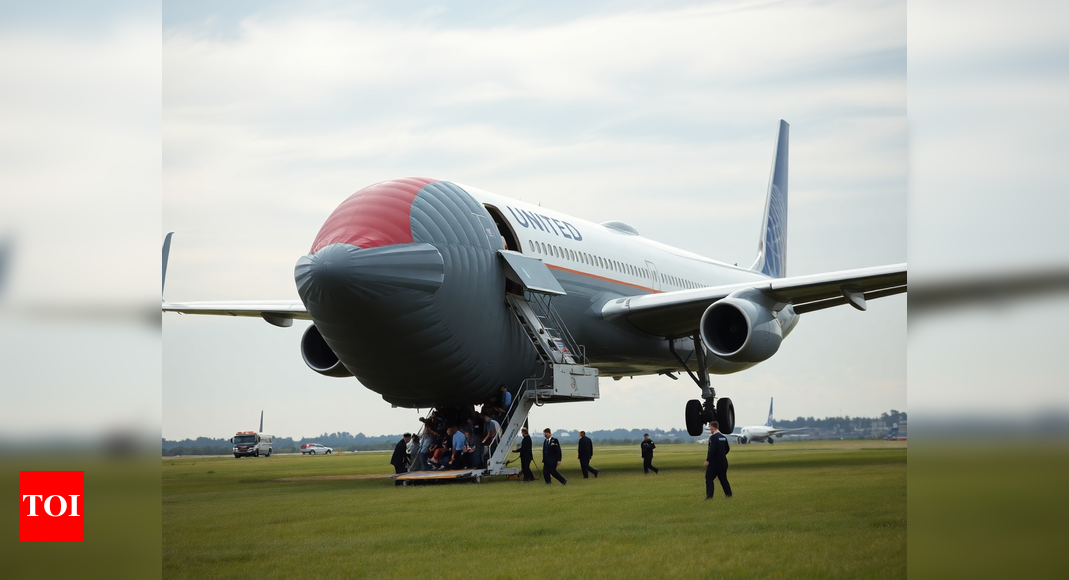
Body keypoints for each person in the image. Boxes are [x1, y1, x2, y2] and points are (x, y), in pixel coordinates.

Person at [704, 421, 732, 500]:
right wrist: (721, 455)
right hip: (723, 462)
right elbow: (727, 449)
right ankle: (729, 494)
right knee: (723, 479)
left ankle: (709, 496)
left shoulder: (713, 437)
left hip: (714, 463)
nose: (710, 429)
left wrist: (708, 460)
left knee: (709, 478)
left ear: (713, 427)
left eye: (710, 427)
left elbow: (712, 450)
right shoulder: (723, 437)